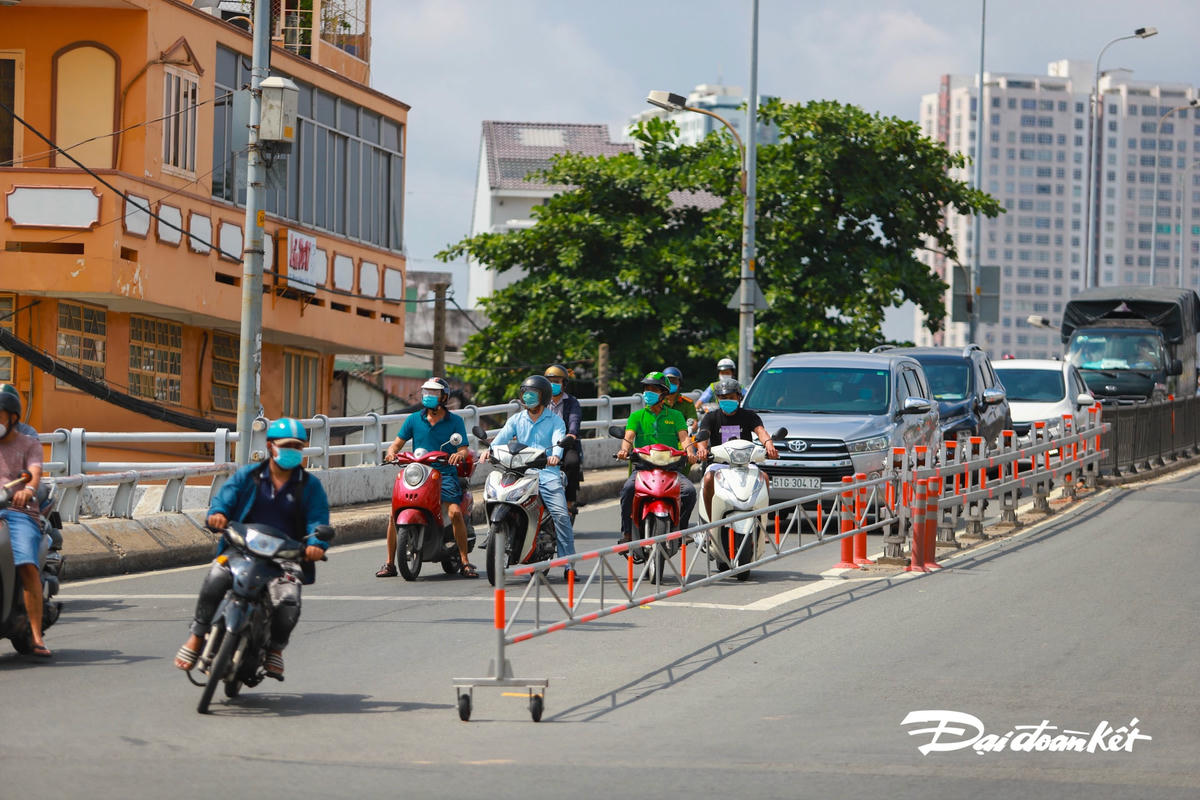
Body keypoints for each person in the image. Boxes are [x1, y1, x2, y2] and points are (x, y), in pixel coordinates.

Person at [174, 418, 331, 678]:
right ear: (270, 446)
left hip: (286, 557)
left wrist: (316, 544)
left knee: (289, 600)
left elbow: (318, 519)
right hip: (242, 549)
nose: (293, 450)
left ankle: (275, 651)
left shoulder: (310, 486)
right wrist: (218, 515)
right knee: (216, 576)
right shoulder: (249, 476)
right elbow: (224, 499)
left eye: (297, 446)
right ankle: (196, 635)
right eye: (287, 445)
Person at [378, 377, 475, 578]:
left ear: (444, 397)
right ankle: (389, 563)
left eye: (433, 393)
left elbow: (464, 448)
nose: (428, 396)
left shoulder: (455, 421)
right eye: (426, 392)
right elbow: (396, 444)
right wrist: (391, 453)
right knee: (393, 515)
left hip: (444, 474)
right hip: (418, 473)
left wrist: (459, 455)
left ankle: (465, 561)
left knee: (455, 512)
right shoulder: (413, 419)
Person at [482, 375, 575, 580]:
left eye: (534, 393)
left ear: (544, 397)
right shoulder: (516, 419)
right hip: (518, 471)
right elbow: (500, 440)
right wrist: (489, 451)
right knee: (496, 495)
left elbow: (558, 441)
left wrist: (554, 457)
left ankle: (569, 563)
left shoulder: (555, 421)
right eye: (526, 393)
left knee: (560, 514)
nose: (529, 397)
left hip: (546, 473)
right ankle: (495, 535)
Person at [616, 372, 698, 545]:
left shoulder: (676, 416)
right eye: (646, 388)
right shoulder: (637, 416)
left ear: (663, 393)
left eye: (653, 389)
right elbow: (628, 438)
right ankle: (628, 533)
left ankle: (681, 530)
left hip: (671, 469)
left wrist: (690, 452)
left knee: (689, 492)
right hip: (643, 469)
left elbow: (684, 438)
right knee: (627, 490)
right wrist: (624, 451)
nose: (648, 392)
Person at [0, 386, 49, 658]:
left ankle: (36, 635)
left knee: (27, 565)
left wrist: (27, 491)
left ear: (13, 417)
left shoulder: (29, 444)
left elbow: (34, 471)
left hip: (19, 512)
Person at [695, 378, 779, 521]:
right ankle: (708, 522)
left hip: (746, 464)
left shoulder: (749, 416)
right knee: (709, 478)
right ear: (718, 399)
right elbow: (704, 434)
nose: (727, 400)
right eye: (723, 398)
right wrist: (702, 449)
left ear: (739, 397)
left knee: (763, 478)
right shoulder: (711, 417)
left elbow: (761, 431)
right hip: (719, 464)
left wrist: (769, 445)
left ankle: (761, 524)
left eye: (731, 397)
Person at [545, 364, 584, 521]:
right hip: (543, 445)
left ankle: (568, 503)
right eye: (549, 381)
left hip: (565, 444)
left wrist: (571, 435)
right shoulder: (540, 402)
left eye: (557, 381)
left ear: (564, 384)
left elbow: (574, 420)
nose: (553, 384)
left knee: (572, 463)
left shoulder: (572, 402)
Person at [662, 366, 698, 432]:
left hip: (682, 438)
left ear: (680, 383)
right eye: (668, 381)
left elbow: (693, 422)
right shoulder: (657, 401)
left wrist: (691, 429)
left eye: (674, 381)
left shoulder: (687, 403)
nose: (670, 384)